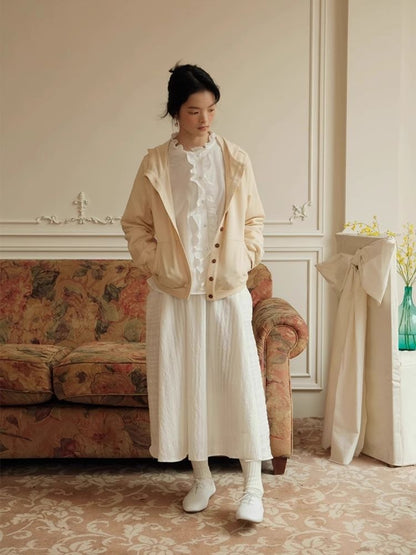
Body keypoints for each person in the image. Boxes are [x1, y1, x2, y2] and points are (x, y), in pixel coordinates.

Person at [121, 63, 272, 523]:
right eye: (193, 111)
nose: (204, 119)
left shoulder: (236, 159)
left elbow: (254, 219)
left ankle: (253, 487)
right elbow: (135, 224)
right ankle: (202, 478)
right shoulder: (155, 164)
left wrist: (244, 258)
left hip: (226, 290)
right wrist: (157, 264)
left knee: (239, 383)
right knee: (188, 385)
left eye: (211, 109)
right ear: (176, 112)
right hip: (174, 295)